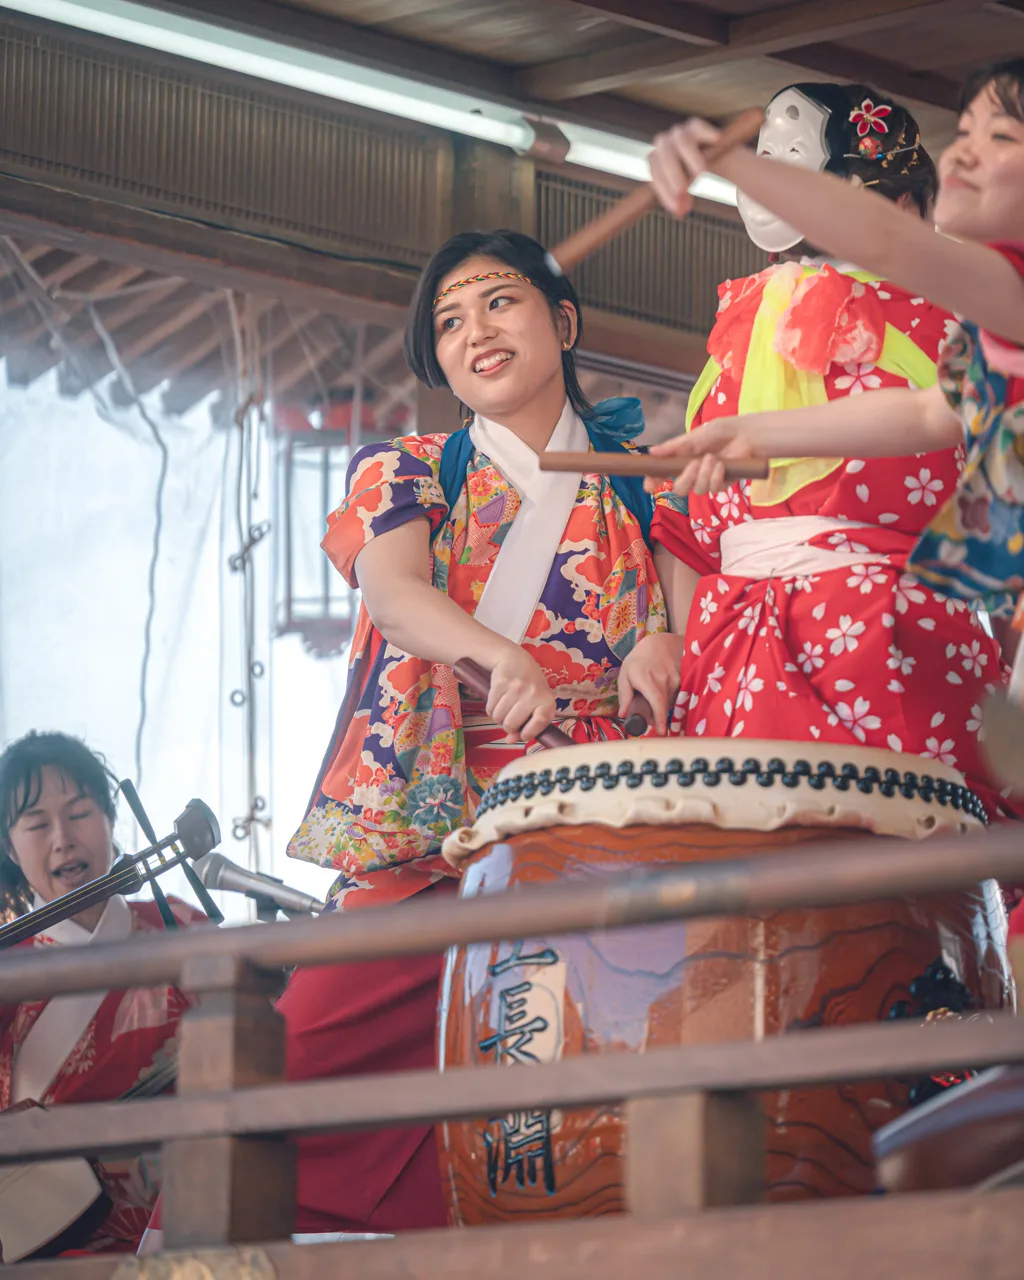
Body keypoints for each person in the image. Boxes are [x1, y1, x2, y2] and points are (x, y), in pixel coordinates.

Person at [274, 229, 669, 1234]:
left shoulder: (647, 480)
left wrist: (669, 646)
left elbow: (691, 626)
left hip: (592, 842)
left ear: (562, 322)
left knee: (570, 1133)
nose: (474, 332)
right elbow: (395, 596)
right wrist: (502, 656)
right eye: (448, 321)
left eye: (499, 302)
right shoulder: (406, 469)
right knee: (299, 1075)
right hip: (429, 835)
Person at [617, 80, 1011, 815]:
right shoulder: (740, 328)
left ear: (899, 206)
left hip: (894, 636)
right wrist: (676, 638)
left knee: (898, 855)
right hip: (733, 643)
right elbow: (925, 414)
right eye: (966, 134)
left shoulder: (964, 311)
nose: (966, 156)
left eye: (1000, 139)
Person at [0, 732, 204, 1257]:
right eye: (37, 825)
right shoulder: (8, 970)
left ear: (111, 819)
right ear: (10, 847)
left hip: (191, 1230)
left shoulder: (178, 927)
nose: (63, 839)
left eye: (79, 813)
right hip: (49, 1246)